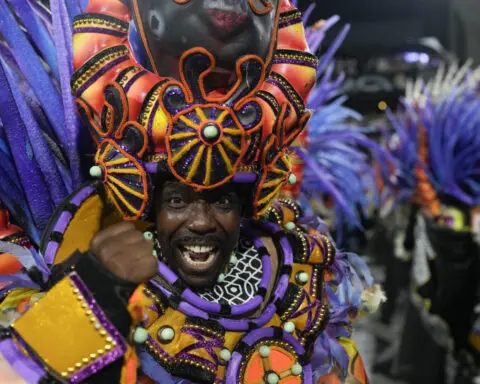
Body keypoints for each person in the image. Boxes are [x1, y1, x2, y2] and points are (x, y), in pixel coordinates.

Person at [0, 0, 378, 382]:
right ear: (143, 199)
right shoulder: (82, 267)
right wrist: (96, 290)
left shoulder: (298, 277)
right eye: (178, 199)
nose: (200, 222)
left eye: (223, 200)